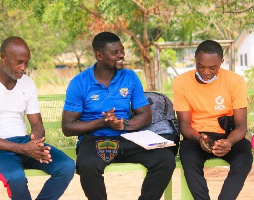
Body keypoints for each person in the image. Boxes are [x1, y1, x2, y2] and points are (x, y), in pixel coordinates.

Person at [62, 31, 176, 200]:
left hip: (128, 138)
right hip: (94, 140)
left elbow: (145, 115)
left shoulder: (130, 77)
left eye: (122, 50)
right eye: (115, 53)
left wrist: (124, 125)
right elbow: (68, 127)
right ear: (99, 55)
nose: (121, 55)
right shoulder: (79, 83)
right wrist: (103, 122)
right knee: (87, 166)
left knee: (165, 160)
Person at [0, 36, 75, 200]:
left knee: (66, 166)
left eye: (26, 62)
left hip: (23, 142)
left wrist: (36, 146)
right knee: (16, 178)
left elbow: (37, 124)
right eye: (19, 62)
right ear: (3, 57)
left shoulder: (27, 83)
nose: (23, 68)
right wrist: (24, 149)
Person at [173, 40, 253, 200]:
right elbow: (184, 125)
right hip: (197, 136)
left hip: (228, 134)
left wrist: (228, 143)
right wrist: (199, 138)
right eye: (200, 66)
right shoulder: (181, 82)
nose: (206, 72)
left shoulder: (235, 81)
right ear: (195, 60)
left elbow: (241, 126)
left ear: (221, 63)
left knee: (245, 157)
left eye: (212, 68)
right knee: (188, 156)